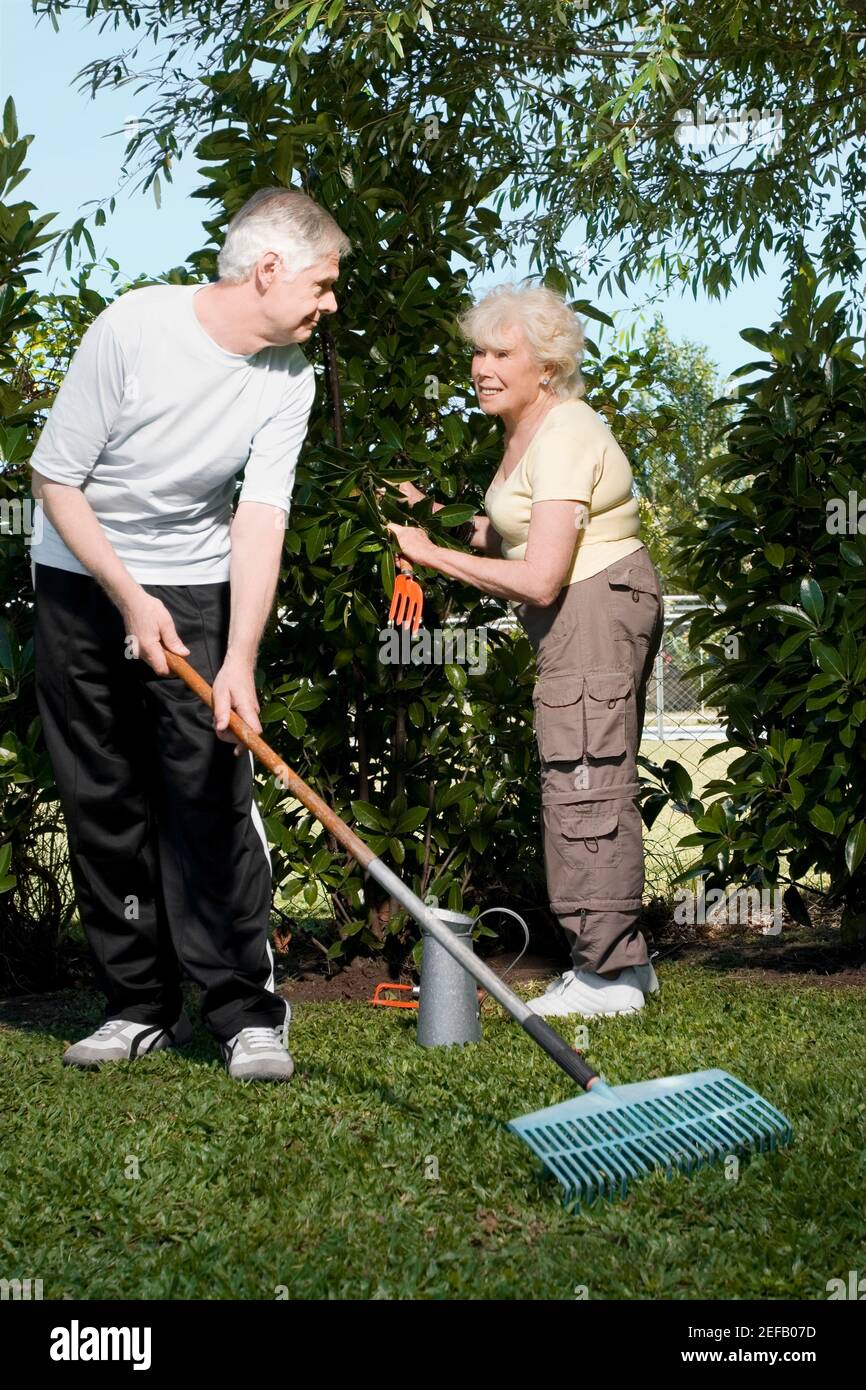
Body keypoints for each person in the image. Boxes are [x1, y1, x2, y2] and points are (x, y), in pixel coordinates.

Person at [30, 188, 350, 1079]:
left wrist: (238, 655)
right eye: (322, 284)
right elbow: (55, 478)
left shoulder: (291, 377)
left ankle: (245, 1011)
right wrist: (131, 600)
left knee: (207, 790)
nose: (329, 304)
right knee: (104, 796)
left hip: (198, 581)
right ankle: (137, 1005)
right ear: (269, 269)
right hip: (80, 575)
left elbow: (261, 514)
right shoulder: (133, 329)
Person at [386, 283, 664, 1018]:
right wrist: (439, 518)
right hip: (585, 607)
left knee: (586, 778)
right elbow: (511, 530)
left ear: (546, 366)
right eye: (477, 350)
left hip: (592, 606)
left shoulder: (566, 430)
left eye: (500, 352)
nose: (481, 366)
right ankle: (615, 966)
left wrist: (429, 555)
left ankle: (608, 975)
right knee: (578, 768)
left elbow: (541, 577)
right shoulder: (527, 432)